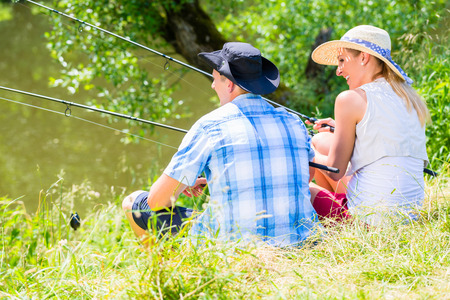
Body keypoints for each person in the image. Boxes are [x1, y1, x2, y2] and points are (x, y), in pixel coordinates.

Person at [122, 42, 319, 246]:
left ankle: (165, 274)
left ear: (230, 85)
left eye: (215, 79)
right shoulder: (293, 121)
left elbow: (156, 202)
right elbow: (308, 177)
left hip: (235, 249)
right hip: (299, 244)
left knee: (133, 202)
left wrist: (181, 186)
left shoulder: (210, 126)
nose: (212, 85)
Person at [307, 25, 430, 225]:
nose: (338, 71)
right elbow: (384, 136)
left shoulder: (349, 99)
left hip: (370, 224)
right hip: (409, 217)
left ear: (364, 58)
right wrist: (341, 129)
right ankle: (340, 212)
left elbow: (334, 171)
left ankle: (340, 223)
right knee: (322, 139)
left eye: (341, 61)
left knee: (310, 173)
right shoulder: (409, 97)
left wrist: (306, 152)